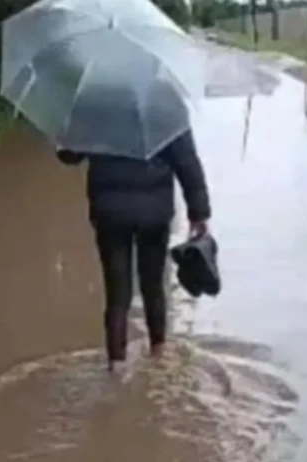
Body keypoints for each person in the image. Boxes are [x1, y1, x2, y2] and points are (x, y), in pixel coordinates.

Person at [57, 130, 211, 371]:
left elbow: (68, 155)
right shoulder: (165, 110)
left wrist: (65, 132)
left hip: (110, 214)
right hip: (155, 214)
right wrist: (199, 213)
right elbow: (187, 163)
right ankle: (159, 354)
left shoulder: (96, 109)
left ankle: (116, 366)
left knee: (117, 293)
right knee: (153, 286)